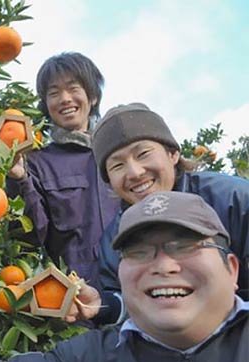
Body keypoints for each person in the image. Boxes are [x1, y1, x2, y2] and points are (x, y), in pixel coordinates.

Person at [0, 191, 249, 362]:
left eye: (183, 246)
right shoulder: (87, 361)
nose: (164, 264)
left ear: (231, 269)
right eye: (139, 252)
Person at [73, 102, 249, 325]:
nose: (135, 172)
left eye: (143, 154)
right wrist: (103, 305)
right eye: (117, 166)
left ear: (173, 154)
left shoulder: (235, 200)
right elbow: (129, 303)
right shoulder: (114, 239)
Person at [0, 52, 120, 287]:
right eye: (54, 93)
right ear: (46, 106)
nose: (65, 99)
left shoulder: (118, 151)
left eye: (73, 88)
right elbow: (25, 240)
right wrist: (18, 178)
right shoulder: (37, 163)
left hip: (139, 288)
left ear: (93, 97)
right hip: (78, 297)